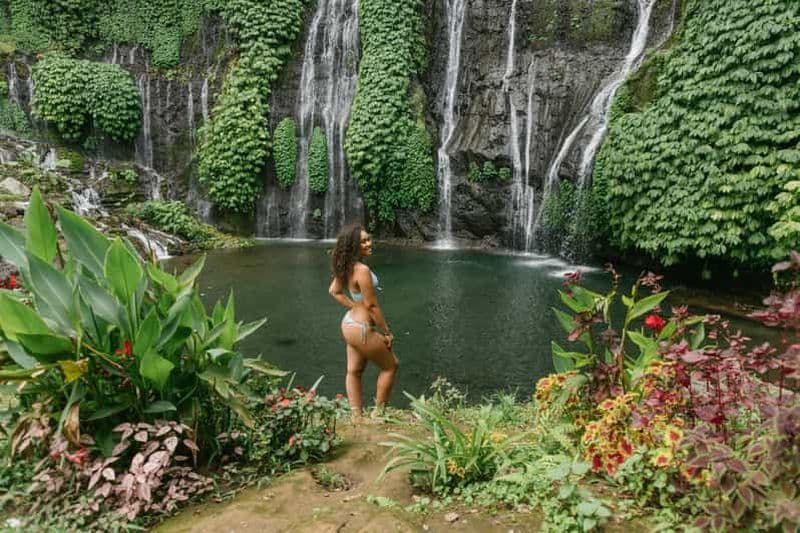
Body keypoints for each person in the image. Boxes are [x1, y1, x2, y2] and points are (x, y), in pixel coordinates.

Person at [328, 224, 398, 420]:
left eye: (369, 238)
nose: (369, 243)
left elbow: (334, 291)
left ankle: (356, 417)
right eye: (363, 241)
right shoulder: (362, 270)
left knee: (354, 371)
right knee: (391, 366)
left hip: (349, 324)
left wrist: (353, 307)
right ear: (353, 246)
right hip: (361, 328)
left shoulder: (346, 266)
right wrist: (386, 332)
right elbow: (372, 305)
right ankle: (378, 414)